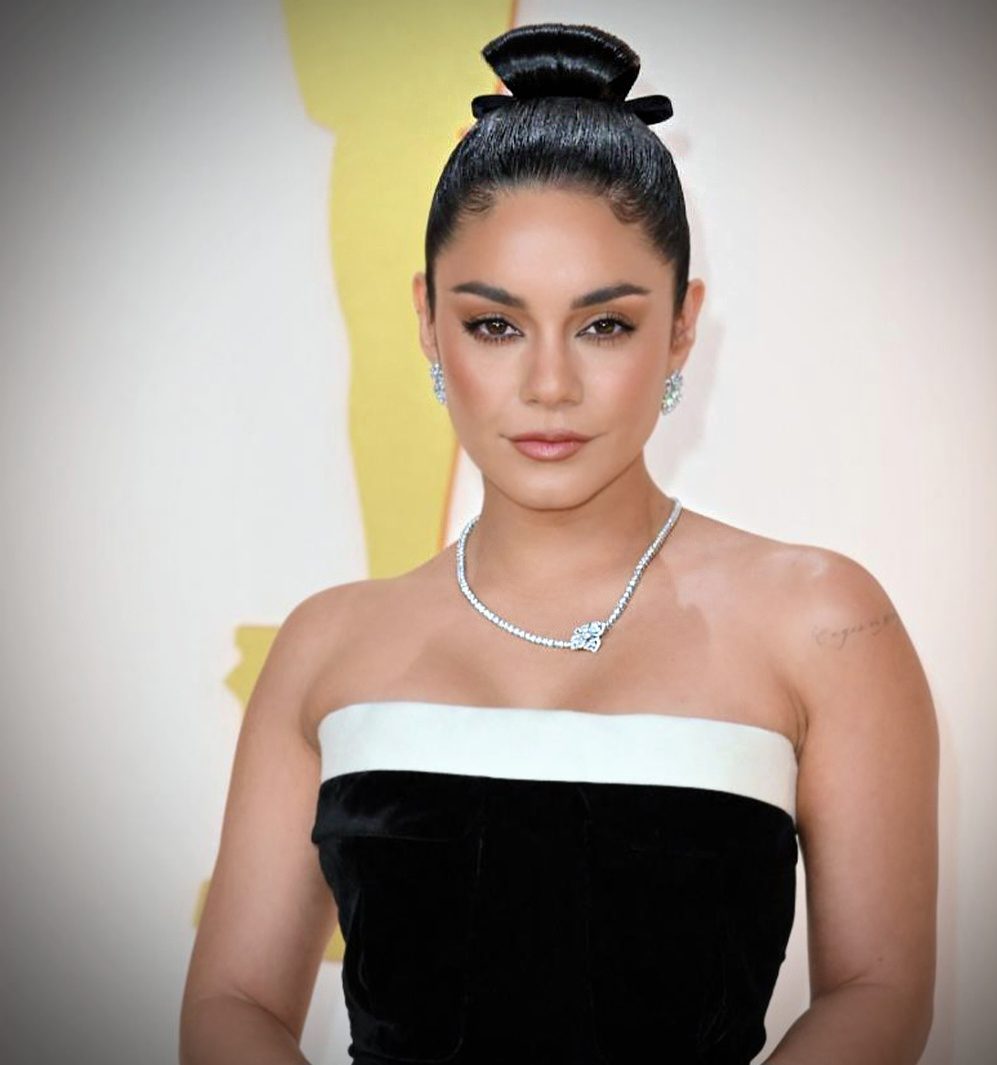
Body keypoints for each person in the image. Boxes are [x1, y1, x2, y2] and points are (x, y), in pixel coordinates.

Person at [179, 21, 939, 1065]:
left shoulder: (822, 622)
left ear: (680, 327)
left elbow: (877, 992)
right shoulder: (325, 646)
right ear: (427, 322)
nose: (547, 386)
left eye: (603, 325)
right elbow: (229, 1004)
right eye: (494, 324)